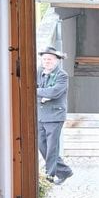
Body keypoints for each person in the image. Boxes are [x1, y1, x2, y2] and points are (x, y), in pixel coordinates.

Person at [36, 46, 73, 185]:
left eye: (50, 59)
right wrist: (42, 93)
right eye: (45, 59)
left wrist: (37, 91)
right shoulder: (39, 71)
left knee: (52, 147)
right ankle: (65, 171)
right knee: (42, 145)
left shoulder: (62, 75)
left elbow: (54, 92)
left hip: (55, 116)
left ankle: (49, 176)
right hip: (40, 115)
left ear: (57, 60)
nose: (47, 61)